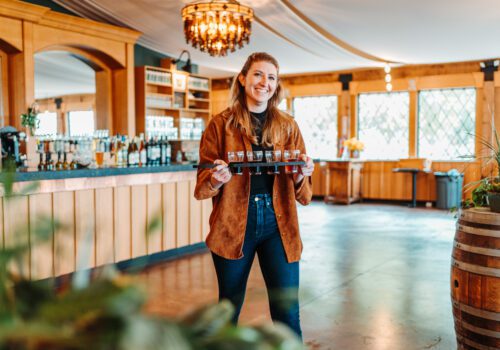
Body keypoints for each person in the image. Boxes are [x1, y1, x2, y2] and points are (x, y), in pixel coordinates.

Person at [194, 52, 314, 339]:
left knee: (287, 309)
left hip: (279, 224)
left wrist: (301, 174)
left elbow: (305, 194)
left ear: (277, 85)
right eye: (258, 74)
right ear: (243, 78)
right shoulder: (220, 124)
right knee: (228, 307)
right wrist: (216, 178)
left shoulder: (288, 125)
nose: (265, 82)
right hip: (234, 223)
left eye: (271, 77)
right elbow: (201, 187)